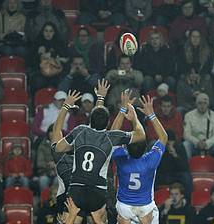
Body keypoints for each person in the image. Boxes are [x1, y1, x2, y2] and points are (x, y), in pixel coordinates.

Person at [53, 82, 145, 216]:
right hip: (98, 192)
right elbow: (140, 135)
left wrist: (66, 106)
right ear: (107, 122)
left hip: (76, 191)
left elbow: (58, 143)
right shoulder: (108, 137)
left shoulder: (79, 132)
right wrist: (129, 113)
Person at [111, 93, 167, 224]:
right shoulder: (150, 160)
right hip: (146, 207)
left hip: (124, 207)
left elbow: (112, 135)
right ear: (146, 147)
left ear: (127, 146)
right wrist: (151, 115)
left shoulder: (121, 157)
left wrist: (123, 110)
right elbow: (163, 138)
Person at [183, 92, 214, 159]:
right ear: (196, 104)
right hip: (194, 144)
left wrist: (207, 143)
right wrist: (197, 142)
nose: (202, 106)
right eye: (200, 103)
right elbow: (186, 134)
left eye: (204, 103)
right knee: (185, 145)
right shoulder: (188, 115)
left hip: (210, 144)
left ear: (208, 104)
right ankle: (186, 168)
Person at [155, 132, 192, 199]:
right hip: (163, 175)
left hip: (176, 175)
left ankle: (187, 201)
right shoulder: (158, 148)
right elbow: (157, 166)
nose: (169, 144)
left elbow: (184, 167)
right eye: (167, 142)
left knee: (186, 177)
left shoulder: (180, 147)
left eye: (171, 142)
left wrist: (175, 155)